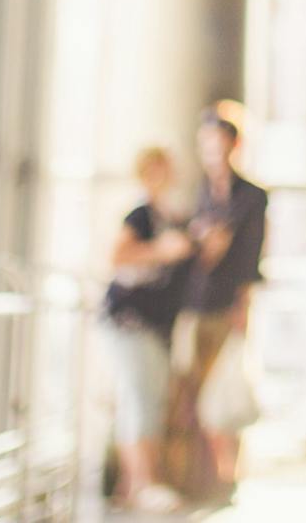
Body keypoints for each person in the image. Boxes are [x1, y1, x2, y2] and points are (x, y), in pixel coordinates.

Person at [174, 106, 267, 500]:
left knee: (225, 394)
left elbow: (249, 256)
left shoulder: (251, 197)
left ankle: (227, 476)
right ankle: (202, 477)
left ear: (233, 143)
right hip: (196, 304)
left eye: (218, 141)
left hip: (228, 305)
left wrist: (242, 307)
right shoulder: (201, 193)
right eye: (205, 143)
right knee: (195, 393)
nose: (211, 150)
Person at [102, 147, 193, 514]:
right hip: (130, 323)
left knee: (149, 398)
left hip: (156, 325)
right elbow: (118, 256)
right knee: (139, 399)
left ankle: (134, 482)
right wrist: (161, 251)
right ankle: (141, 482)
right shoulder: (140, 215)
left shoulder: (168, 216)